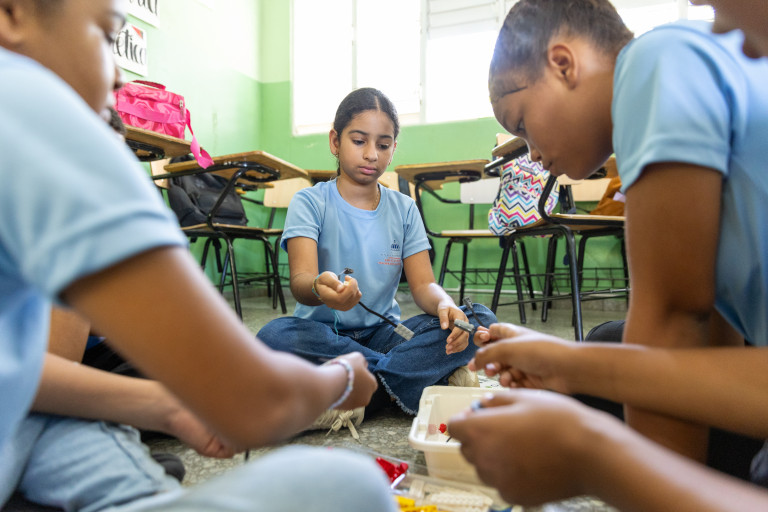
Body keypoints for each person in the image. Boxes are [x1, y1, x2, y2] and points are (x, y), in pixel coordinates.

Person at [0, 1, 396, 511]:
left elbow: (23, 369)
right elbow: (257, 400)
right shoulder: (42, 111)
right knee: (354, 485)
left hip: (32, 420)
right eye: (105, 34)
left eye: (383, 144)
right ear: (10, 13)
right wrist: (342, 378)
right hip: (34, 426)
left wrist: (165, 406)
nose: (117, 78)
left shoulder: (400, 207)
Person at [446, 0, 768, 508]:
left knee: (611, 365)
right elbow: (712, 325)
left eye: (523, 123)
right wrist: (566, 362)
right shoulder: (700, 53)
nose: (532, 153)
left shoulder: (650, 63)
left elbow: (674, 318)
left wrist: (608, 464)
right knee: (606, 344)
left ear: (563, 64)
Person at [257, 87, 496, 431]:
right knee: (274, 336)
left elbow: (424, 286)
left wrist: (445, 304)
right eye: (359, 141)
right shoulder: (309, 202)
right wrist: (320, 288)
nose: (371, 154)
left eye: (383, 145)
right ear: (335, 141)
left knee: (476, 321)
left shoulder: (404, 208)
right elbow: (300, 282)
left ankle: (355, 396)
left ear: (393, 149)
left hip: (385, 333)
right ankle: (420, 377)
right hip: (320, 335)